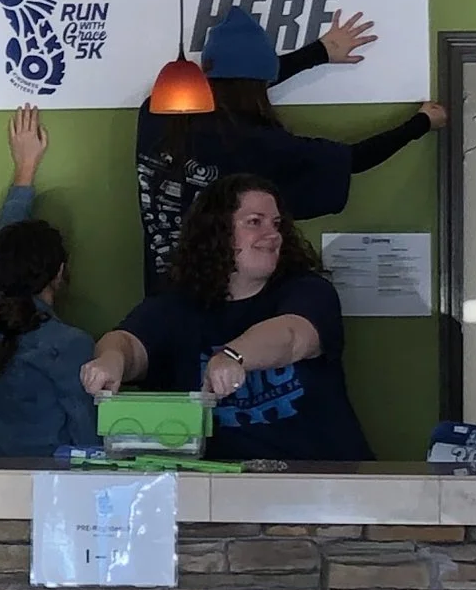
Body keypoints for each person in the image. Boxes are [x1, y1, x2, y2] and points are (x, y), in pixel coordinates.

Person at [137, 4, 444, 293]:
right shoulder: (262, 143)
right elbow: (355, 159)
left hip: (162, 298)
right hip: (226, 300)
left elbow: (236, 79)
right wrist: (421, 123)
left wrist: (319, 52)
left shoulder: (157, 111)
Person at [83, 174, 371, 463]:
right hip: (223, 484)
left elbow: (292, 336)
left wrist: (233, 356)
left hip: (325, 478)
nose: (273, 235)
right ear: (217, 232)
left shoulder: (310, 291)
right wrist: (111, 360)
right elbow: (126, 341)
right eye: (255, 222)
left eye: (276, 224)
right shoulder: (176, 306)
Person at [0, 104, 98, 456]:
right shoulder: (71, 345)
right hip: (45, 480)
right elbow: (86, 433)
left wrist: (24, 169)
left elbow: (7, 241)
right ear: (60, 273)